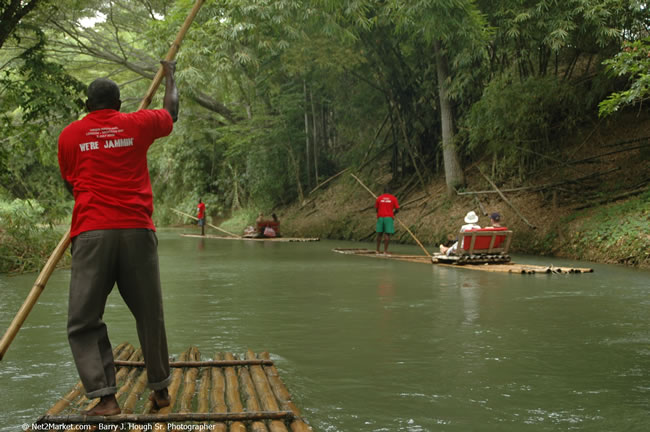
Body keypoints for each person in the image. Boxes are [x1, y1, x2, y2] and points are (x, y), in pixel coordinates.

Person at [57, 60, 179, 416]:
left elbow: (71, 183)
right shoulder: (137, 124)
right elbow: (171, 112)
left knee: (83, 319)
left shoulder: (70, 135)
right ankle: (160, 390)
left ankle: (106, 397)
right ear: (120, 104)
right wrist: (170, 76)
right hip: (138, 231)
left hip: (92, 231)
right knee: (149, 313)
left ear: (86, 106)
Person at [375, 186, 399, 254]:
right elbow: (397, 209)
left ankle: (377, 250)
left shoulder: (379, 198)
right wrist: (393, 213)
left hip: (380, 217)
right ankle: (385, 251)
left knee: (379, 234)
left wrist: (380, 213)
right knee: (387, 234)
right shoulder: (393, 198)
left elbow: (376, 209)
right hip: (388, 218)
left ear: (384, 191)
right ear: (390, 192)